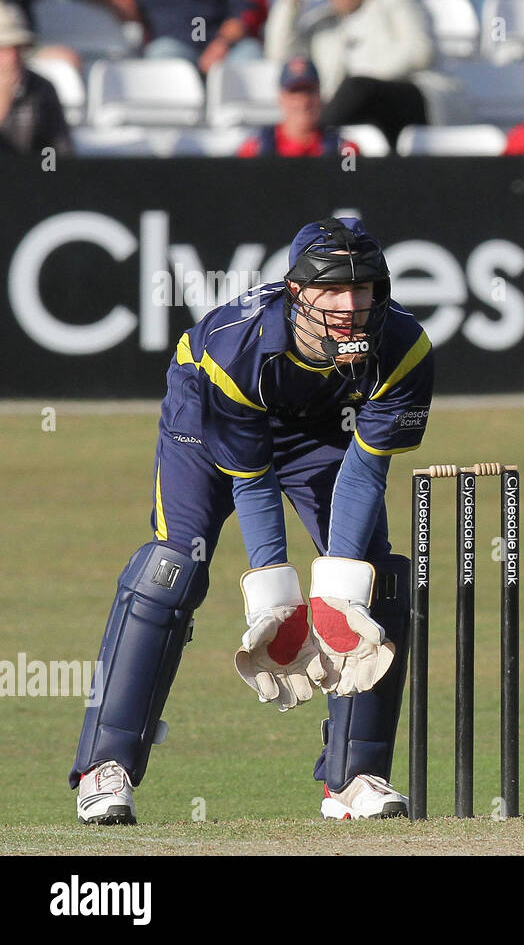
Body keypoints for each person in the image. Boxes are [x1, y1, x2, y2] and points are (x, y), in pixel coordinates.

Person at [70, 217, 435, 825]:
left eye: (363, 289)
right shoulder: (236, 347)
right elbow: (252, 478)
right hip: (207, 413)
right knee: (172, 567)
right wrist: (275, 598)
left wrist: (336, 596)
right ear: (296, 292)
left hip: (320, 429)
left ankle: (354, 779)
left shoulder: (404, 348)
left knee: (371, 576)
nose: (350, 307)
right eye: (332, 290)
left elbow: (366, 471)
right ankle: (104, 771)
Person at [265, 0, 435, 148]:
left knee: (356, 89)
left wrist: (362, 80)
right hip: (350, 111)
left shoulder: (394, 0)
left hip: (406, 99)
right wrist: (291, 0)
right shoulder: (321, 22)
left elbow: (420, 51)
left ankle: (311, 144)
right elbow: (281, 55)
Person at [79, 0, 267, 73]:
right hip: (173, 46)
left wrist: (222, 45)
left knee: (250, 54)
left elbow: (245, 13)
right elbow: (127, 7)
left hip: (225, 47)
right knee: (162, 53)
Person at [237, 58, 360, 158]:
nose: (303, 101)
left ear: (320, 96)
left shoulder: (346, 151)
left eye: (309, 92)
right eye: (294, 92)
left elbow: (352, 184)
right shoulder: (255, 150)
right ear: (281, 99)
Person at [0, 1, 71, 156]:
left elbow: (57, 150)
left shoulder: (41, 89)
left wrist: (45, 175)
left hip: (29, 177)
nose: (12, 57)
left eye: (18, 47)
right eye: (3, 48)